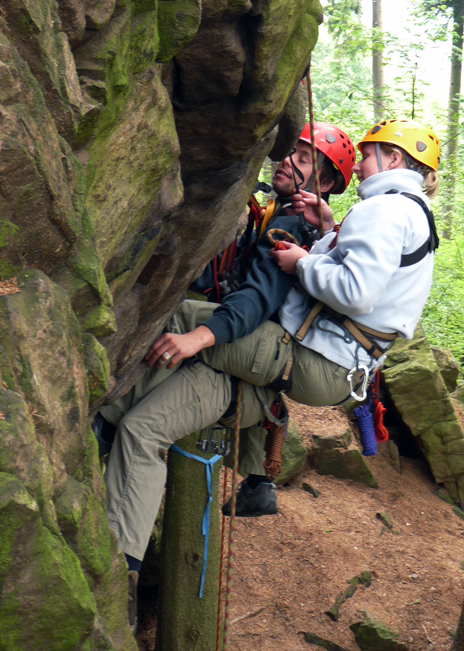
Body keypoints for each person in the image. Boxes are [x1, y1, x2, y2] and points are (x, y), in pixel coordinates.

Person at [102, 118, 439, 603]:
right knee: (143, 428)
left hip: (308, 358)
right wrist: (329, 229)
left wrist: (299, 261)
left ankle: (96, 420)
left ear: (396, 160)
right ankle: (126, 576)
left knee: (177, 318)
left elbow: (354, 291)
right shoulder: (410, 214)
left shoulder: (385, 210)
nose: (365, 162)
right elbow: (365, 269)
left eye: (371, 153)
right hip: (320, 366)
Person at [96, 122, 357, 519]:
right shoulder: (276, 216)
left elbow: (255, 300)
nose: (288, 161)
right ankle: (258, 479)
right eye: (292, 151)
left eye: (304, 159)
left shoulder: (292, 230)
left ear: (321, 182)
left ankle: (105, 421)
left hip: (241, 358)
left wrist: (202, 335)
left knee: (174, 324)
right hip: (248, 356)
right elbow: (228, 274)